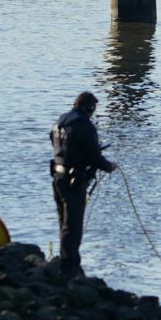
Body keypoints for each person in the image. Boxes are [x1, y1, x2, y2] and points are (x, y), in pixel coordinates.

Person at [49, 91, 115, 277]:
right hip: (74, 181)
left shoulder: (61, 121)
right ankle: (70, 267)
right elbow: (95, 157)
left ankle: (65, 262)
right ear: (90, 108)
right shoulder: (85, 125)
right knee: (73, 224)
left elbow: (58, 146)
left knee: (63, 221)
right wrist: (110, 166)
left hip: (57, 177)